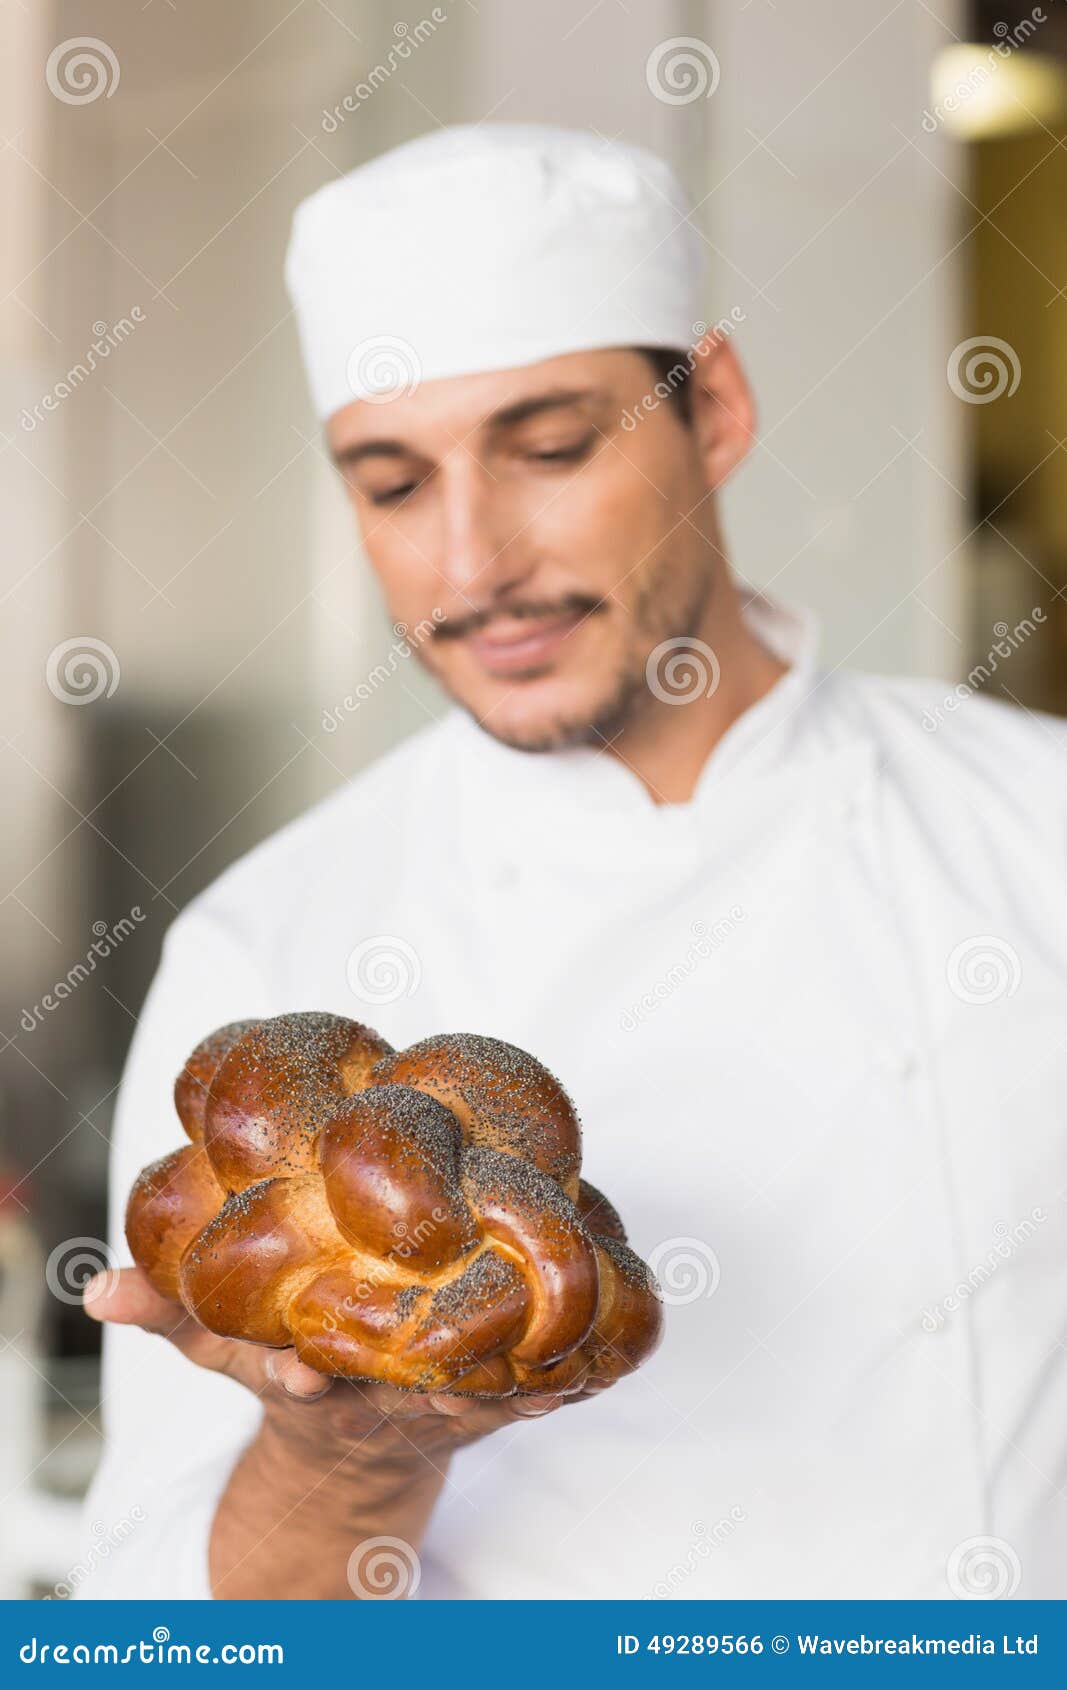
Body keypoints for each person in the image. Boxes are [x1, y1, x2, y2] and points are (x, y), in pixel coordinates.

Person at [77, 123, 1067, 1602]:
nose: (473, 564)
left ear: (714, 408)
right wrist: (350, 1464)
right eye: (393, 485)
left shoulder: (1039, 825)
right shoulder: (269, 943)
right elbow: (175, 1642)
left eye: (548, 449)